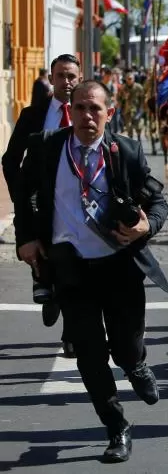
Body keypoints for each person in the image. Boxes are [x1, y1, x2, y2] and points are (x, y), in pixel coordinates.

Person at [12, 80, 168, 461]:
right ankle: (116, 426)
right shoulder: (48, 147)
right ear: (71, 111)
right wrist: (27, 238)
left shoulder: (126, 152)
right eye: (80, 108)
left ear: (108, 114)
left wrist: (147, 225)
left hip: (119, 266)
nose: (87, 116)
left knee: (125, 344)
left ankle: (136, 363)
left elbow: (158, 200)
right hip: (71, 268)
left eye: (95, 109)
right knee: (89, 354)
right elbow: (24, 196)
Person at [2, 53, 82, 355]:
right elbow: (10, 160)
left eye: (71, 75)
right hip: (41, 203)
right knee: (45, 256)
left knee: (76, 266)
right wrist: (20, 193)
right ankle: (48, 291)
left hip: (77, 201)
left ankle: (71, 333)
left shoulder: (87, 111)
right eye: (60, 75)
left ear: (80, 76)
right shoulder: (34, 114)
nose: (67, 82)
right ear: (52, 77)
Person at [117, 72, 145, 141]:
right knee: (129, 128)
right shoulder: (123, 88)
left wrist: (141, 110)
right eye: (127, 79)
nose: (129, 80)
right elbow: (119, 99)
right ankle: (131, 142)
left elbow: (143, 99)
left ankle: (139, 140)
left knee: (138, 127)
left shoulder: (139, 87)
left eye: (130, 79)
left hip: (137, 110)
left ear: (133, 79)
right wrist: (123, 100)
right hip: (127, 111)